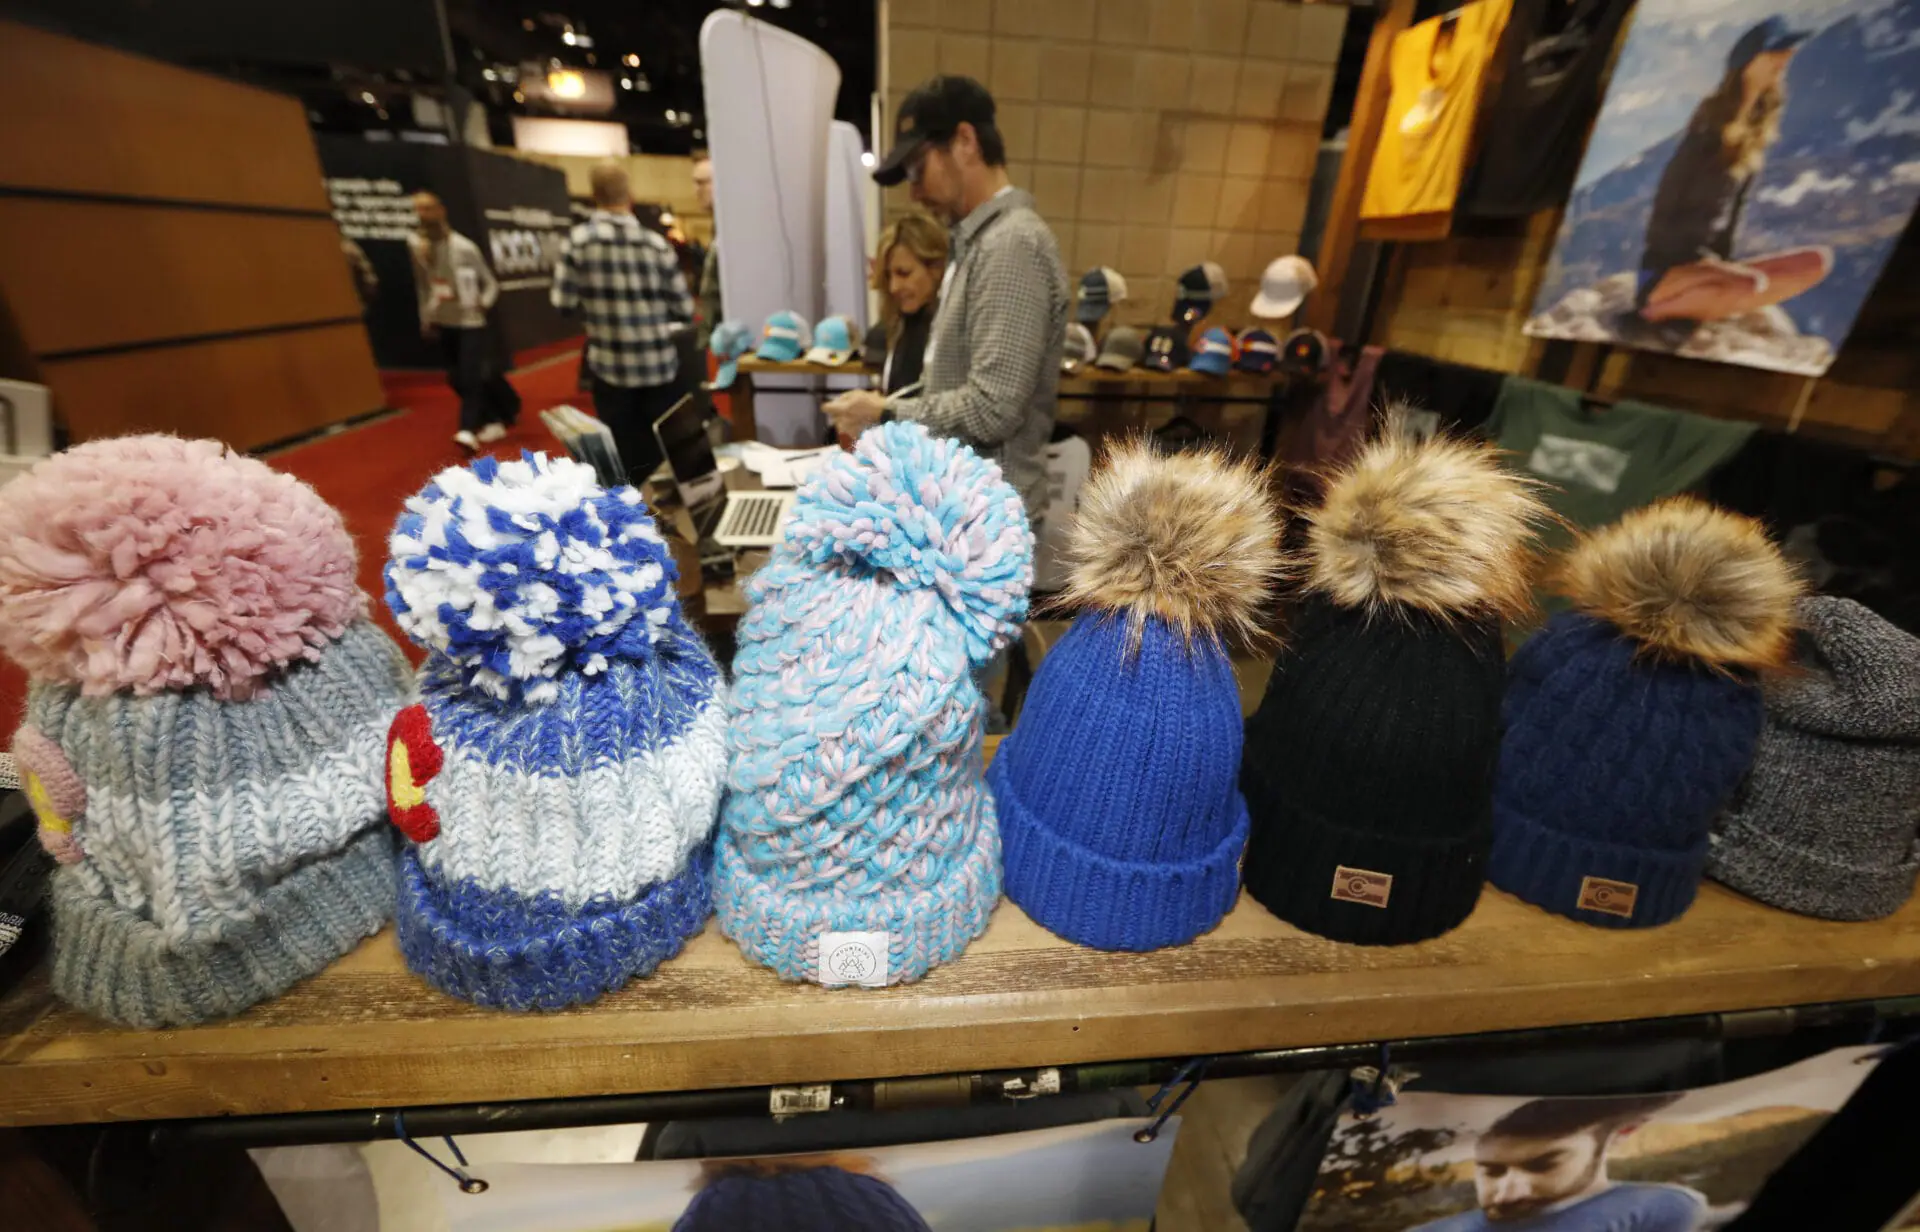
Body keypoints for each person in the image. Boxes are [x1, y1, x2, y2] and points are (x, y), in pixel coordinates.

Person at [823, 75, 1069, 522]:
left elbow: (993, 410)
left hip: (985, 521)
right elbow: (954, 383)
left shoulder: (1012, 245)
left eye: (918, 169)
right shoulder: (977, 244)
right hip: (964, 509)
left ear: (965, 141)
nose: (914, 192)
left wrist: (889, 411)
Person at [1636, 18, 1830, 323]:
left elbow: (1734, 212)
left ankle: (1713, 299)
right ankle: (1650, 311)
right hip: (1667, 268)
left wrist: (1723, 265)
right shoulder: (1706, 128)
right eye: (1777, 49)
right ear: (1748, 63)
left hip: (1710, 267)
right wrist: (1700, 265)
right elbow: (1666, 200)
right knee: (1752, 283)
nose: (1788, 56)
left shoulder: (1755, 132)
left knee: (1816, 262)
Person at [551, 161, 695, 483]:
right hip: (660, 366)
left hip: (610, 369)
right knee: (666, 455)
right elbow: (684, 308)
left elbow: (562, 303)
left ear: (593, 195)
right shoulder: (655, 244)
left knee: (626, 456)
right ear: (630, 195)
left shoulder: (578, 242)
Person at [1410, 1095, 1704, 1230]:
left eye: (1542, 1166)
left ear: (1619, 1136)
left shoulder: (1662, 1206)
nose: (1507, 1193)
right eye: (1492, 1171)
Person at [408, 191, 520, 451]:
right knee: (457, 377)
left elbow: (489, 283)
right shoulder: (417, 247)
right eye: (418, 209)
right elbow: (423, 286)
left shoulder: (464, 247)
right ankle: (504, 408)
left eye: (427, 209)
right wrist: (426, 317)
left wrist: (483, 302)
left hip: (471, 320)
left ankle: (467, 429)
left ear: (440, 210)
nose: (423, 215)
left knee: (471, 375)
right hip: (444, 321)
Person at [871, 210, 948, 396]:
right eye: (889, 276)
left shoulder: (951, 332)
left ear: (936, 268)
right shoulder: (901, 326)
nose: (893, 287)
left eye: (904, 273)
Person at [691, 153, 722, 352]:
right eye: (695, 183)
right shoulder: (718, 226)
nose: (696, 190)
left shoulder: (730, 227)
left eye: (703, 183)